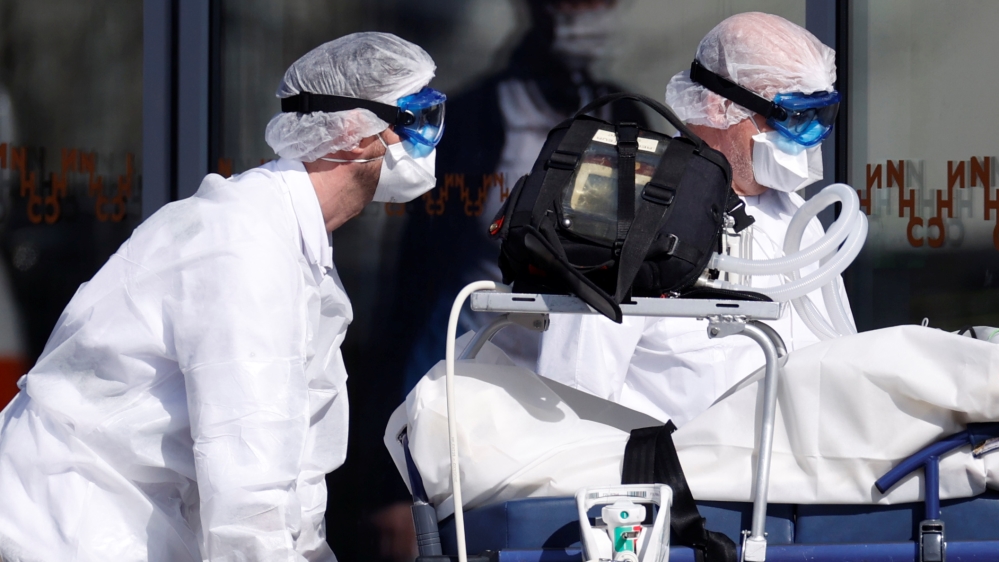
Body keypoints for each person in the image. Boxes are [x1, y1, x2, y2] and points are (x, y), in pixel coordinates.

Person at [0, 32, 441, 562]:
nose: (428, 142)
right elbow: (247, 491)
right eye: (416, 119)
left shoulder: (295, 247)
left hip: (127, 520)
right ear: (351, 132)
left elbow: (293, 472)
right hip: (68, 522)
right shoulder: (244, 244)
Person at [538, 12, 853, 426]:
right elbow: (574, 394)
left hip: (797, 476)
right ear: (717, 104)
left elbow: (841, 352)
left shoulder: (800, 219)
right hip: (685, 480)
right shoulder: (629, 213)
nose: (805, 139)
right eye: (791, 117)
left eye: (819, 119)